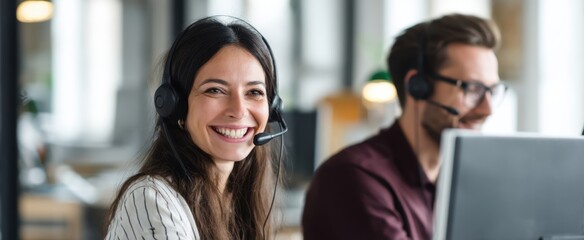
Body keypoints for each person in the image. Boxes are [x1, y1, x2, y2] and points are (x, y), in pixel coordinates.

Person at [302, 13, 507, 240]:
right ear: (417, 86)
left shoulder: (458, 182)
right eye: (473, 89)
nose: (487, 109)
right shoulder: (353, 177)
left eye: (492, 91)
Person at [105, 16, 287, 240]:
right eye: (215, 90)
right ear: (176, 105)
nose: (239, 110)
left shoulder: (237, 200)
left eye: (254, 92)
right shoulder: (153, 199)